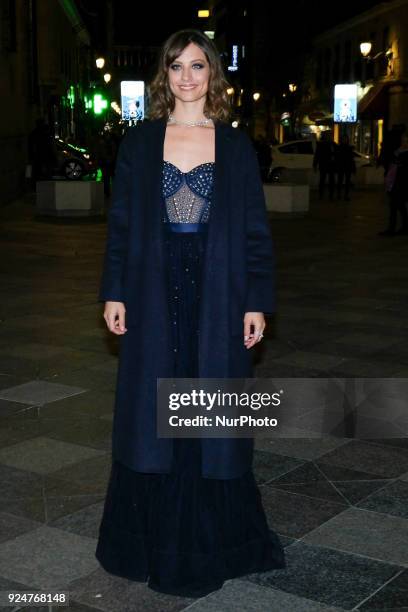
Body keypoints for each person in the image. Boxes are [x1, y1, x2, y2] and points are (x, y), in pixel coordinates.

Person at [95, 29, 286, 597]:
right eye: (176, 66)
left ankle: (211, 539)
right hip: (153, 287)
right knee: (153, 406)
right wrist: (114, 291)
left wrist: (257, 301)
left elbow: (256, 232)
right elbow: (122, 226)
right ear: (164, 75)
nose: (186, 77)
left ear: (212, 75)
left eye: (197, 66)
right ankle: (151, 539)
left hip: (218, 288)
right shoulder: (139, 142)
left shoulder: (234, 145)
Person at [378, 132, 408, 236]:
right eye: (403, 140)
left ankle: (393, 229)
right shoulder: (397, 151)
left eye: (406, 141)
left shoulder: (405, 153)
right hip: (393, 181)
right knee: (398, 206)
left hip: (402, 183)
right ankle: (401, 227)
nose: (404, 143)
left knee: (397, 205)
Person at [313, 131, 338, 200]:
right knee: (322, 180)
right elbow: (317, 155)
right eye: (328, 136)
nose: (330, 137)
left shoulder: (333, 144)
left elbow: (337, 154)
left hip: (331, 165)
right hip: (324, 164)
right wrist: (315, 164)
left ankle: (331, 195)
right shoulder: (321, 144)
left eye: (330, 136)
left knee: (331, 180)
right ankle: (321, 195)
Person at [335, 135, 356, 201]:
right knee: (340, 181)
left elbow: (351, 159)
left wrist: (353, 168)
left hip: (347, 167)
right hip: (342, 166)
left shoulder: (348, 148)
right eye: (344, 139)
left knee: (346, 182)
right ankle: (339, 195)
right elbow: (337, 158)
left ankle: (345, 195)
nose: (345, 140)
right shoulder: (339, 147)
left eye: (346, 139)